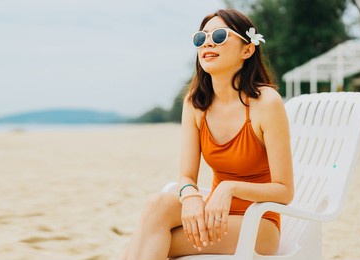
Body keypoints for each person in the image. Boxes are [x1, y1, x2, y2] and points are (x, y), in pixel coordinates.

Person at [121, 9, 294, 260]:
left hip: (258, 223)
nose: (208, 42)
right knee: (157, 205)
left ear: (247, 50)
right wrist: (190, 197)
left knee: (141, 246)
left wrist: (229, 188)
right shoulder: (195, 103)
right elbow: (186, 176)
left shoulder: (266, 103)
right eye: (201, 38)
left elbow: (284, 191)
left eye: (221, 35)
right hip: (212, 214)